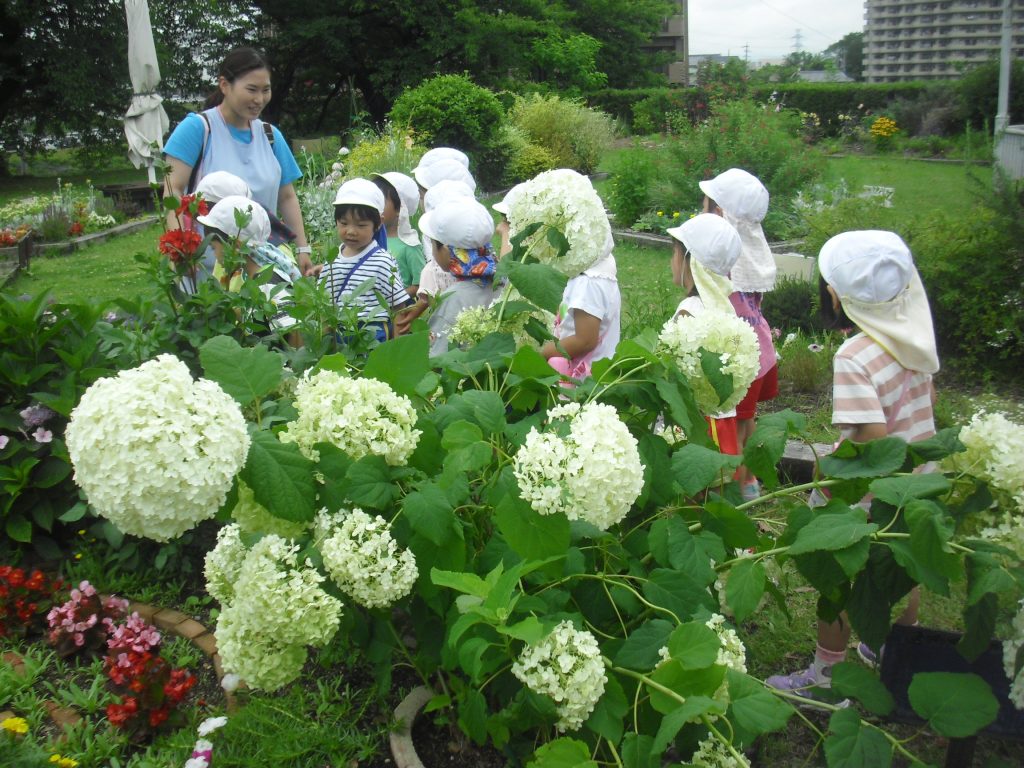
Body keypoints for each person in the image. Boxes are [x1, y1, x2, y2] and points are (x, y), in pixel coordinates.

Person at [767, 230, 939, 698]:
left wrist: (826, 476)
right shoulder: (917, 340)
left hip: (868, 495)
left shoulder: (855, 356)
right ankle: (893, 652)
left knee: (839, 578)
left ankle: (826, 674)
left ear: (837, 296)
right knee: (903, 569)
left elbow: (868, 441)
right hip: (917, 484)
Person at [162, 47, 317, 277]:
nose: (259, 99)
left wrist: (302, 248)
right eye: (251, 89)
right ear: (224, 85)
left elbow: (287, 196)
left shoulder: (270, 136)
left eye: (266, 90)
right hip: (206, 269)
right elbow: (172, 190)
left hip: (262, 269)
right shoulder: (198, 129)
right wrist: (181, 251)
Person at [699, 169, 779, 499]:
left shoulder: (722, 254)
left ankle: (738, 483)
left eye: (705, 205)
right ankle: (750, 480)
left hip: (736, 354)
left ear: (719, 213)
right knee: (748, 420)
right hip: (761, 352)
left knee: (732, 421)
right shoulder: (753, 254)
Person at [665, 213, 745, 454]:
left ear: (689, 259)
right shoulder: (725, 308)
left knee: (697, 488)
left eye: (674, 253)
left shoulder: (689, 311)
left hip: (699, 426)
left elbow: (674, 368)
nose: (671, 261)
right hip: (725, 422)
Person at [195, 195, 303, 339]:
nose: (214, 256)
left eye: (214, 248)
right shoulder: (251, 278)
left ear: (236, 245)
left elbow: (294, 336)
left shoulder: (269, 284)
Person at [318, 178, 411, 343]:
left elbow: (398, 306)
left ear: (378, 223)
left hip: (372, 334)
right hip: (340, 333)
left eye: (361, 225)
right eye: (344, 223)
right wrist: (324, 343)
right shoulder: (332, 261)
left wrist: (397, 345)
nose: (351, 231)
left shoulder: (382, 261)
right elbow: (326, 307)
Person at [539, 221, 622, 379]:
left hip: (579, 381)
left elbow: (584, 340)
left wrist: (542, 353)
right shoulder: (598, 272)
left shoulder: (588, 282)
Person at [418, 198, 500, 356]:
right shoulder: (503, 282)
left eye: (434, 245)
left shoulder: (452, 300)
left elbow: (437, 360)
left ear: (448, 252)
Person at [394, 180, 474, 335]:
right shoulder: (489, 264)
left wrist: (406, 318)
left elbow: (424, 300)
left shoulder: (433, 270)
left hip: (447, 335)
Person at [371, 172, 424, 298]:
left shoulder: (409, 246)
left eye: (381, 201)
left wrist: (394, 299)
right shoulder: (367, 240)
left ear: (400, 208)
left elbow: (420, 284)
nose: (374, 206)